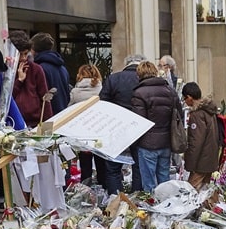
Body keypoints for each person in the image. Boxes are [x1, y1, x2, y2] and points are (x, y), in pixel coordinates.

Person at [130, 60, 180, 193]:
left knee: (149, 182)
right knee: (164, 178)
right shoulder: (169, 90)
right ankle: (165, 207)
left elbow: (139, 121)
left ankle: (152, 208)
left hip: (147, 143)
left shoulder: (139, 93)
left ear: (139, 74)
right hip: (166, 141)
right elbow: (178, 115)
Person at [100, 54, 147, 194]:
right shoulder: (144, 79)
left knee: (113, 167)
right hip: (139, 126)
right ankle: (137, 197)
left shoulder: (114, 78)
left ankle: (116, 198)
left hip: (117, 127)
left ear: (126, 63)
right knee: (138, 166)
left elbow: (102, 102)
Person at [70, 64, 109, 187]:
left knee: (85, 167)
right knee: (102, 165)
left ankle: (85, 193)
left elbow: (68, 112)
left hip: (83, 134)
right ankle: (104, 192)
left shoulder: (75, 93)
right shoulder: (102, 90)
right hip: (100, 133)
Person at [182, 81, 221, 191]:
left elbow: (196, 141)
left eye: (185, 99)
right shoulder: (209, 111)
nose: (185, 102)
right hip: (210, 159)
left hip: (201, 162)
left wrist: (190, 164)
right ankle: (214, 207)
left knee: (190, 191)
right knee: (205, 192)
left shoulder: (197, 115)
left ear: (189, 97)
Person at [9, 31, 51, 127]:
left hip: (34, 123)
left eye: (25, 53)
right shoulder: (7, 70)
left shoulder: (36, 69)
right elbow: (7, 99)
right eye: (20, 54)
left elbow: (45, 99)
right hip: (13, 123)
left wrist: (48, 125)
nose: (23, 58)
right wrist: (19, 81)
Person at [32, 32, 71, 114]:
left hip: (48, 115)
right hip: (63, 112)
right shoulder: (62, 68)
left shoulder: (39, 68)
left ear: (34, 49)